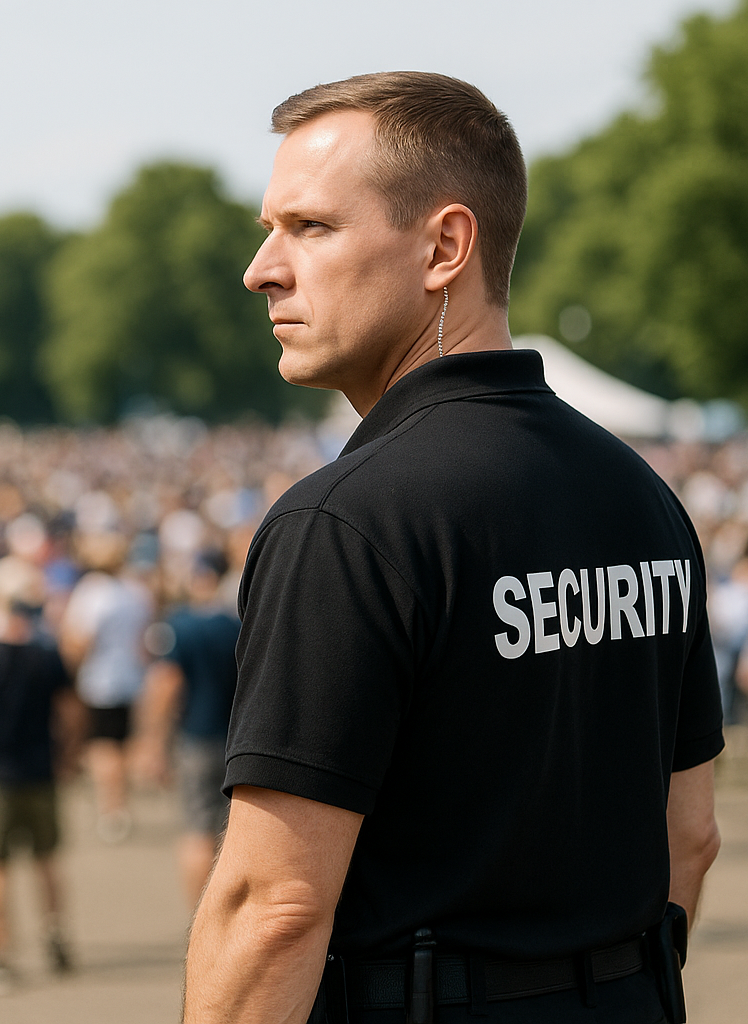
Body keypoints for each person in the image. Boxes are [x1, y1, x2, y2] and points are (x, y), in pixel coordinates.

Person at [183, 73, 724, 1024]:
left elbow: (273, 907)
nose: (261, 268)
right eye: (270, 230)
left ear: (445, 245)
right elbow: (691, 837)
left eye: (310, 228)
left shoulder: (346, 524)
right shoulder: (645, 497)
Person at [0, 562, 85, 995]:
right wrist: (67, 756)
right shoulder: (47, 654)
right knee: (46, 860)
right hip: (40, 770)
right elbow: (72, 713)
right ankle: (55, 937)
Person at [136, 549, 240, 909]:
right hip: (234, 740)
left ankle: (201, 916)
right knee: (231, 834)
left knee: (196, 830)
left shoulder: (180, 626)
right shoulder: (237, 624)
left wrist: (153, 744)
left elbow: (165, 686)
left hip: (195, 737)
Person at [59, 552, 152, 843]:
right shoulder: (134, 592)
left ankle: (112, 808)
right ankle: (120, 804)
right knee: (121, 744)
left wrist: (70, 671)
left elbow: (83, 639)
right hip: (130, 676)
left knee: (103, 747)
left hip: (101, 680)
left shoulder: (93, 593)